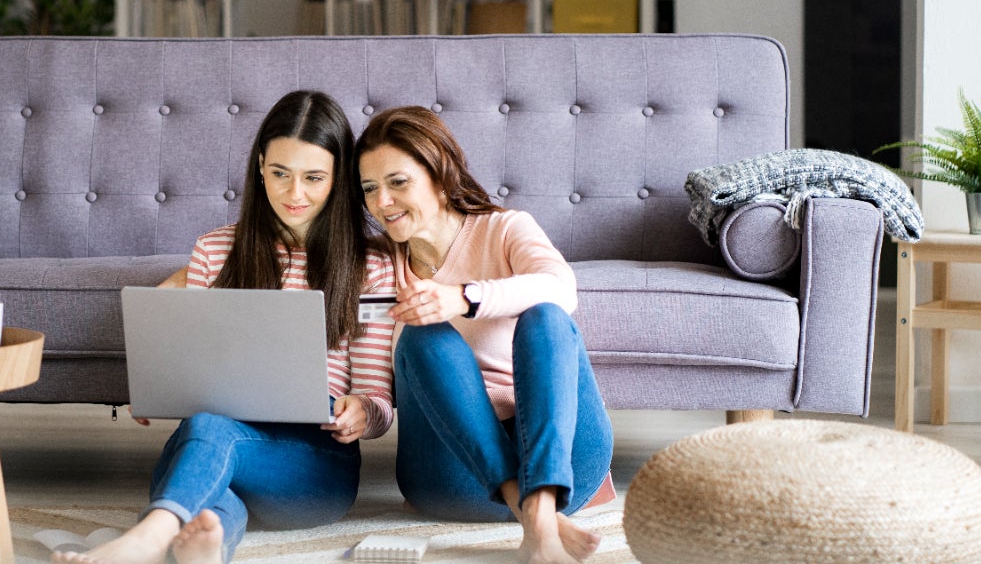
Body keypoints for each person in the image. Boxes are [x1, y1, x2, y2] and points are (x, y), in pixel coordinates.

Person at [54, 90, 395, 564]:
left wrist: (363, 412)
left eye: (314, 178)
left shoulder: (373, 266)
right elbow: (195, 365)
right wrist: (162, 387)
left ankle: (147, 539)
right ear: (259, 165)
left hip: (315, 468)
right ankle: (206, 547)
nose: (294, 194)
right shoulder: (214, 251)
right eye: (280, 174)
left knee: (209, 433)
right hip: (213, 443)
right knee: (210, 485)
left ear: (339, 179)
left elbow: (378, 397)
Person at [355, 106, 614, 564]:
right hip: (453, 475)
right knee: (422, 338)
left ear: (440, 175)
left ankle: (539, 507)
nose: (382, 203)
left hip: (566, 467)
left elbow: (561, 288)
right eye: (370, 189)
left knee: (547, 317)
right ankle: (533, 515)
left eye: (398, 182)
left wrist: (463, 297)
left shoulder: (506, 228)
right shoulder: (375, 266)